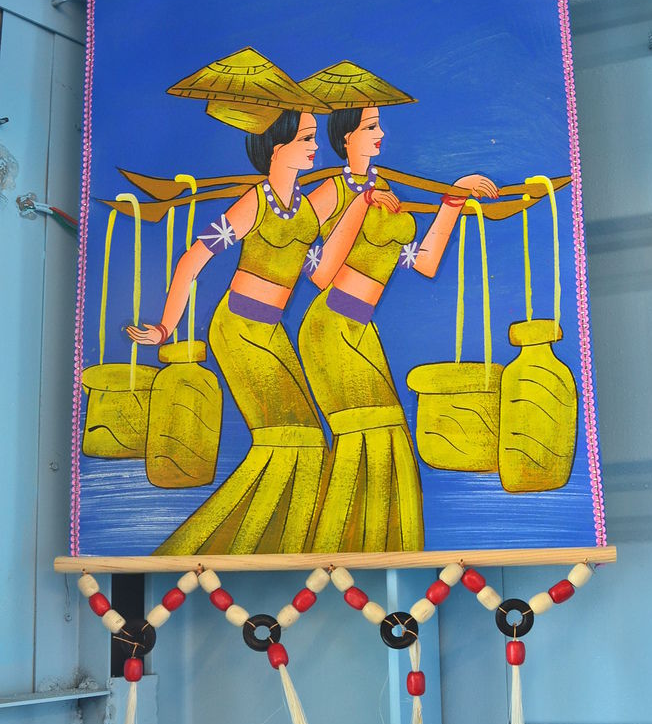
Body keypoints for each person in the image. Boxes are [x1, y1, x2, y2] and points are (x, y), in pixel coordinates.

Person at [127, 50, 377, 555]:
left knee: (313, 440)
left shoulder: (305, 210)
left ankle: (289, 543)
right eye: (306, 138)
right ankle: (227, 544)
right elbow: (193, 260)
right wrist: (166, 327)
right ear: (276, 147)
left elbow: (318, 271)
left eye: (314, 137)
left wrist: (361, 209)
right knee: (292, 438)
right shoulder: (255, 203)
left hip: (272, 333)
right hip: (238, 329)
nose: (315, 147)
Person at [296, 62, 498, 552]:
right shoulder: (330, 191)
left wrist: (452, 200)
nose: (381, 134)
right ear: (346, 137)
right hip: (329, 327)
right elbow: (312, 267)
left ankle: (389, 549)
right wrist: (358, 207)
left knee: (391, 442)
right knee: (365, 438)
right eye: (371, 126)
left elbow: (422, 262)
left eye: (379, 125)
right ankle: (330, 553)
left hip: (361, 330)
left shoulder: (386, 191)